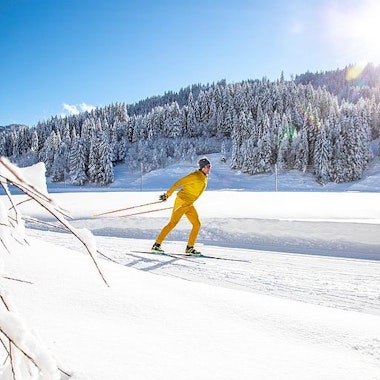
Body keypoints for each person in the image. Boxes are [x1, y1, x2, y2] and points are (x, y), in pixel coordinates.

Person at [151, 157, 211, 256]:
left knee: (197, 224)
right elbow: (178, 183)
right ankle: (156, 245)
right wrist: (168, 194)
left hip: (189, 204)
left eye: (210, 166)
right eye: (208, 166)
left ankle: (190, 248)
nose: (209, 168)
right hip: (182, 202)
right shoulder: (194, 176)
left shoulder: (203, 177)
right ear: (202, 167)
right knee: (172, 223)